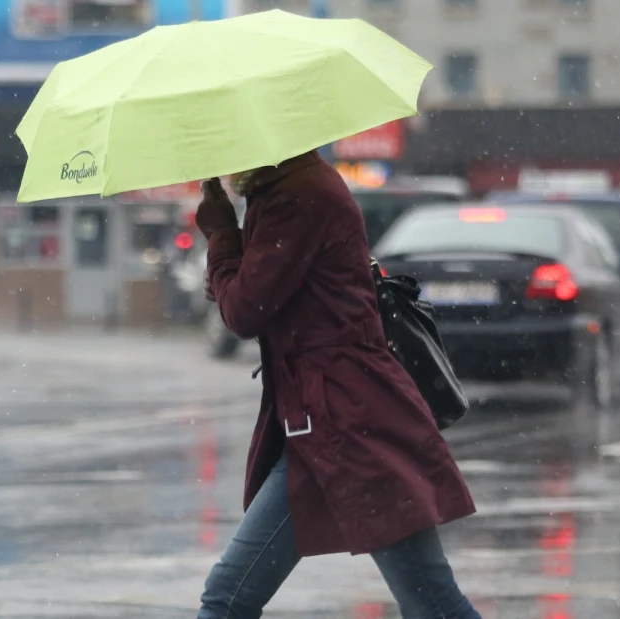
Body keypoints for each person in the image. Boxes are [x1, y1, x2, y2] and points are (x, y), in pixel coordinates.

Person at [195, 151, 480, 619]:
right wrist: (232, 262)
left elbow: (245, 312)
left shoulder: (295, 195)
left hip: (348, 424)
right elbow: (267, 291)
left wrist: (223, 234)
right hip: (325, 425)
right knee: (230, 597)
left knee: (431, 603)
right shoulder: (288, 187)